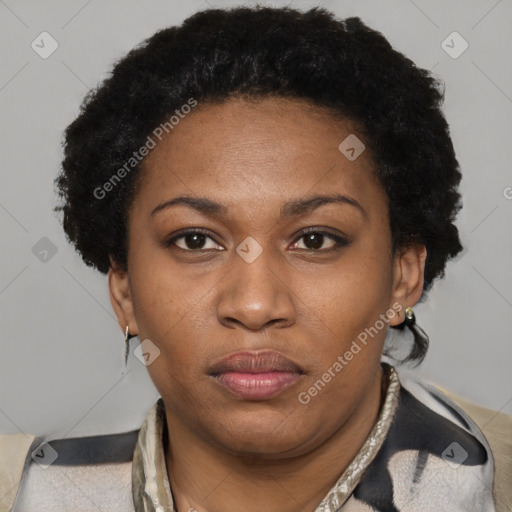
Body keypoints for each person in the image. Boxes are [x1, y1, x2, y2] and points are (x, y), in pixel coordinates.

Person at [1, 5, 510, 512]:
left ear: (403, 275)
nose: (254, 305)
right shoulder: (24, 490)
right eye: (195, 241)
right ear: (124, 289)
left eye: (315, 240)